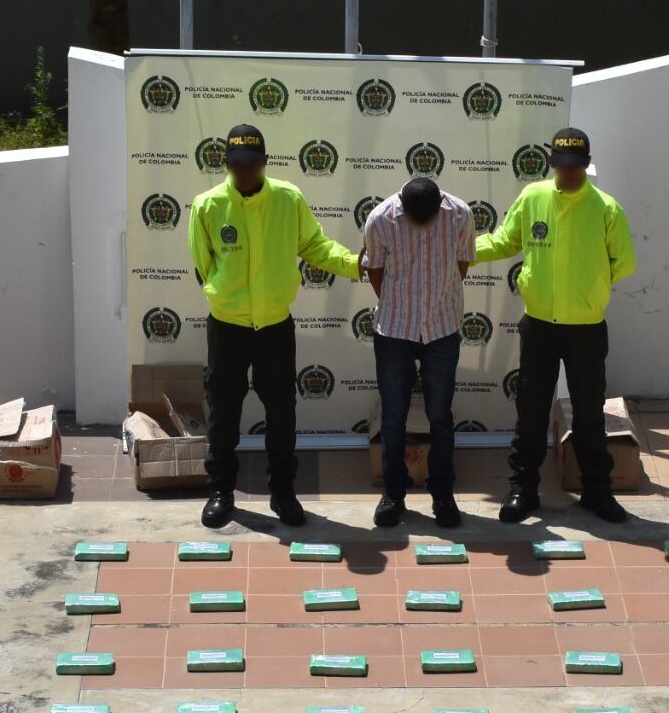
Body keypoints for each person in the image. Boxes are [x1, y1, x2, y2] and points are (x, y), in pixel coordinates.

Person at [186, 122, 364, 529]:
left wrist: (355, 265)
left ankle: (283, 494)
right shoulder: (207, 205)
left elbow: (315, 245)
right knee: (223, 413)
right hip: (227, 326)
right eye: (237, 164)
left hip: (274, 327)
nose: (245, 171)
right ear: (225, 163)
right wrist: (221, 292)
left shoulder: (288, 198)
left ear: (265, 161)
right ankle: (221, 492)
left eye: (252, 163)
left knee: (281, 413)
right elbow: (203, 262)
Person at [473, 126, 636, 525]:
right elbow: (505, 241)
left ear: (587, 164)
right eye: (562, 165)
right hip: (540, 325)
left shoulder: (606, 209)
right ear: (551, 162)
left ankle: (597, 491)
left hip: (586, 327)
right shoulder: (533, 197)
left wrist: (590, 287)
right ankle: (523, 490)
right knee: (531, 411)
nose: (569, 173)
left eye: (576, 166)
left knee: (589, 413)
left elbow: (624, 263)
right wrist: (462, 251)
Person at [356, 174, 474, 529]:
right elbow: (374, 270)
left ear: (440, 206)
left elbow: (462, 264)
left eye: (428, 219)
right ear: (402, 207)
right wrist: (399, 305)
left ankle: (443, 495)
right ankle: (393, 495)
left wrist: (438, 300)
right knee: (393, 418)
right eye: (414, 219)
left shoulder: (460, 215)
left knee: (440, 417)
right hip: (394, 331)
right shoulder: (380, 219)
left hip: (442, 328)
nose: (421, 225)